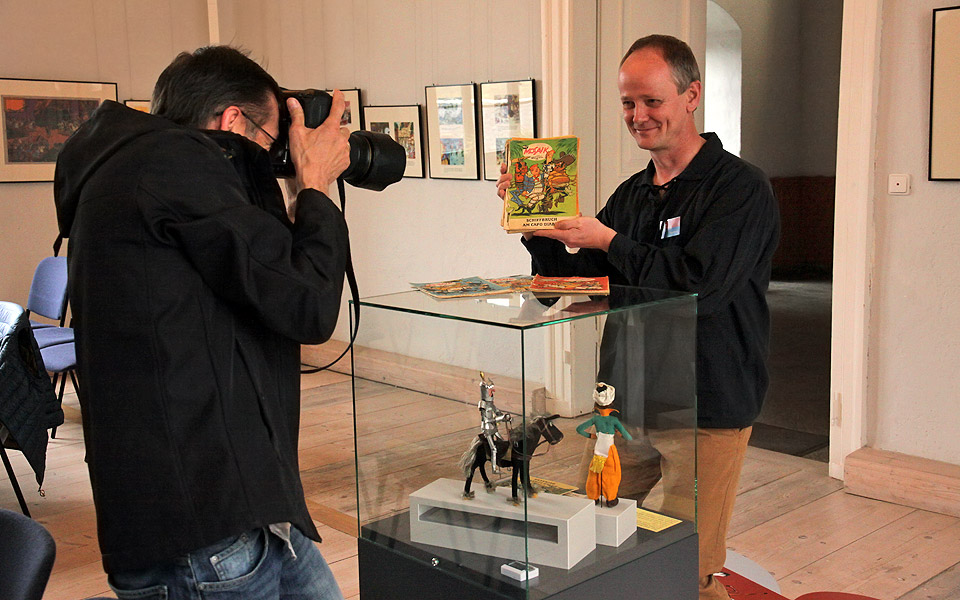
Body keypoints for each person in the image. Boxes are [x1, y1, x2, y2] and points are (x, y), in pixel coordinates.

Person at [53, 46, 351, 600]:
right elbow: (307, 305)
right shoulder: (175, 166)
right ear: (232, 121)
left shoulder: (132, 168)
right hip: (206, 528)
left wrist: (293, 198)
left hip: (236, 501)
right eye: (271, 141)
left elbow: (259, 286)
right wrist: (314, 185)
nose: (273, 157)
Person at [497, 35, 779, 600]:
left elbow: (701, 288)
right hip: (625, 402)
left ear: (691, 96)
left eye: (652, 101)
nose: (637, 115)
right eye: (628, 102)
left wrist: (609, 240)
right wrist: (536, 225)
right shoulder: (632, 194)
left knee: (687, 566)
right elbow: (579, 280)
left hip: (707, 405)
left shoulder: (741, 188)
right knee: (591, 536)